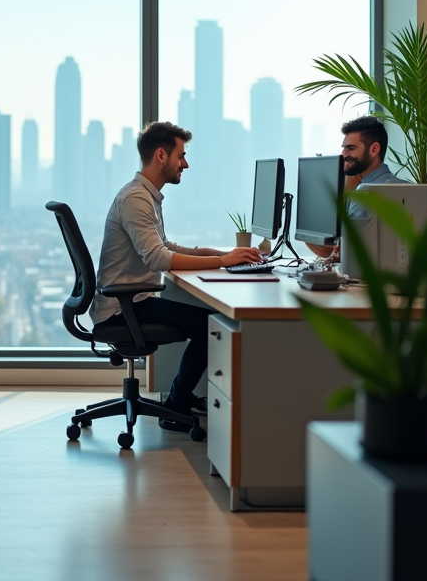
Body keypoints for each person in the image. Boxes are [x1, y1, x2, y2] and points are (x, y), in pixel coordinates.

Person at [90, 122, 263, 433]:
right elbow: (158, 258)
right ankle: (175, 406)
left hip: (131, 300)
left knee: (208, 319)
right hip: (123, 307)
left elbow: (163, 246)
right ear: (161, 155)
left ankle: (178, 398)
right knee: (212, 324)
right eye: (181, 156)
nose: (185, 163)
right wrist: (223, 261)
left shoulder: (145, 195)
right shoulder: (136, 200)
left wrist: (210, 254)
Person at [306, 115, 408, 259]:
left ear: (374, 149)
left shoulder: (366, 193)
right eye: (344, 148)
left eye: (351, 148)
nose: (344, 155)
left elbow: (342, 251)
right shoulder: (399, 185)